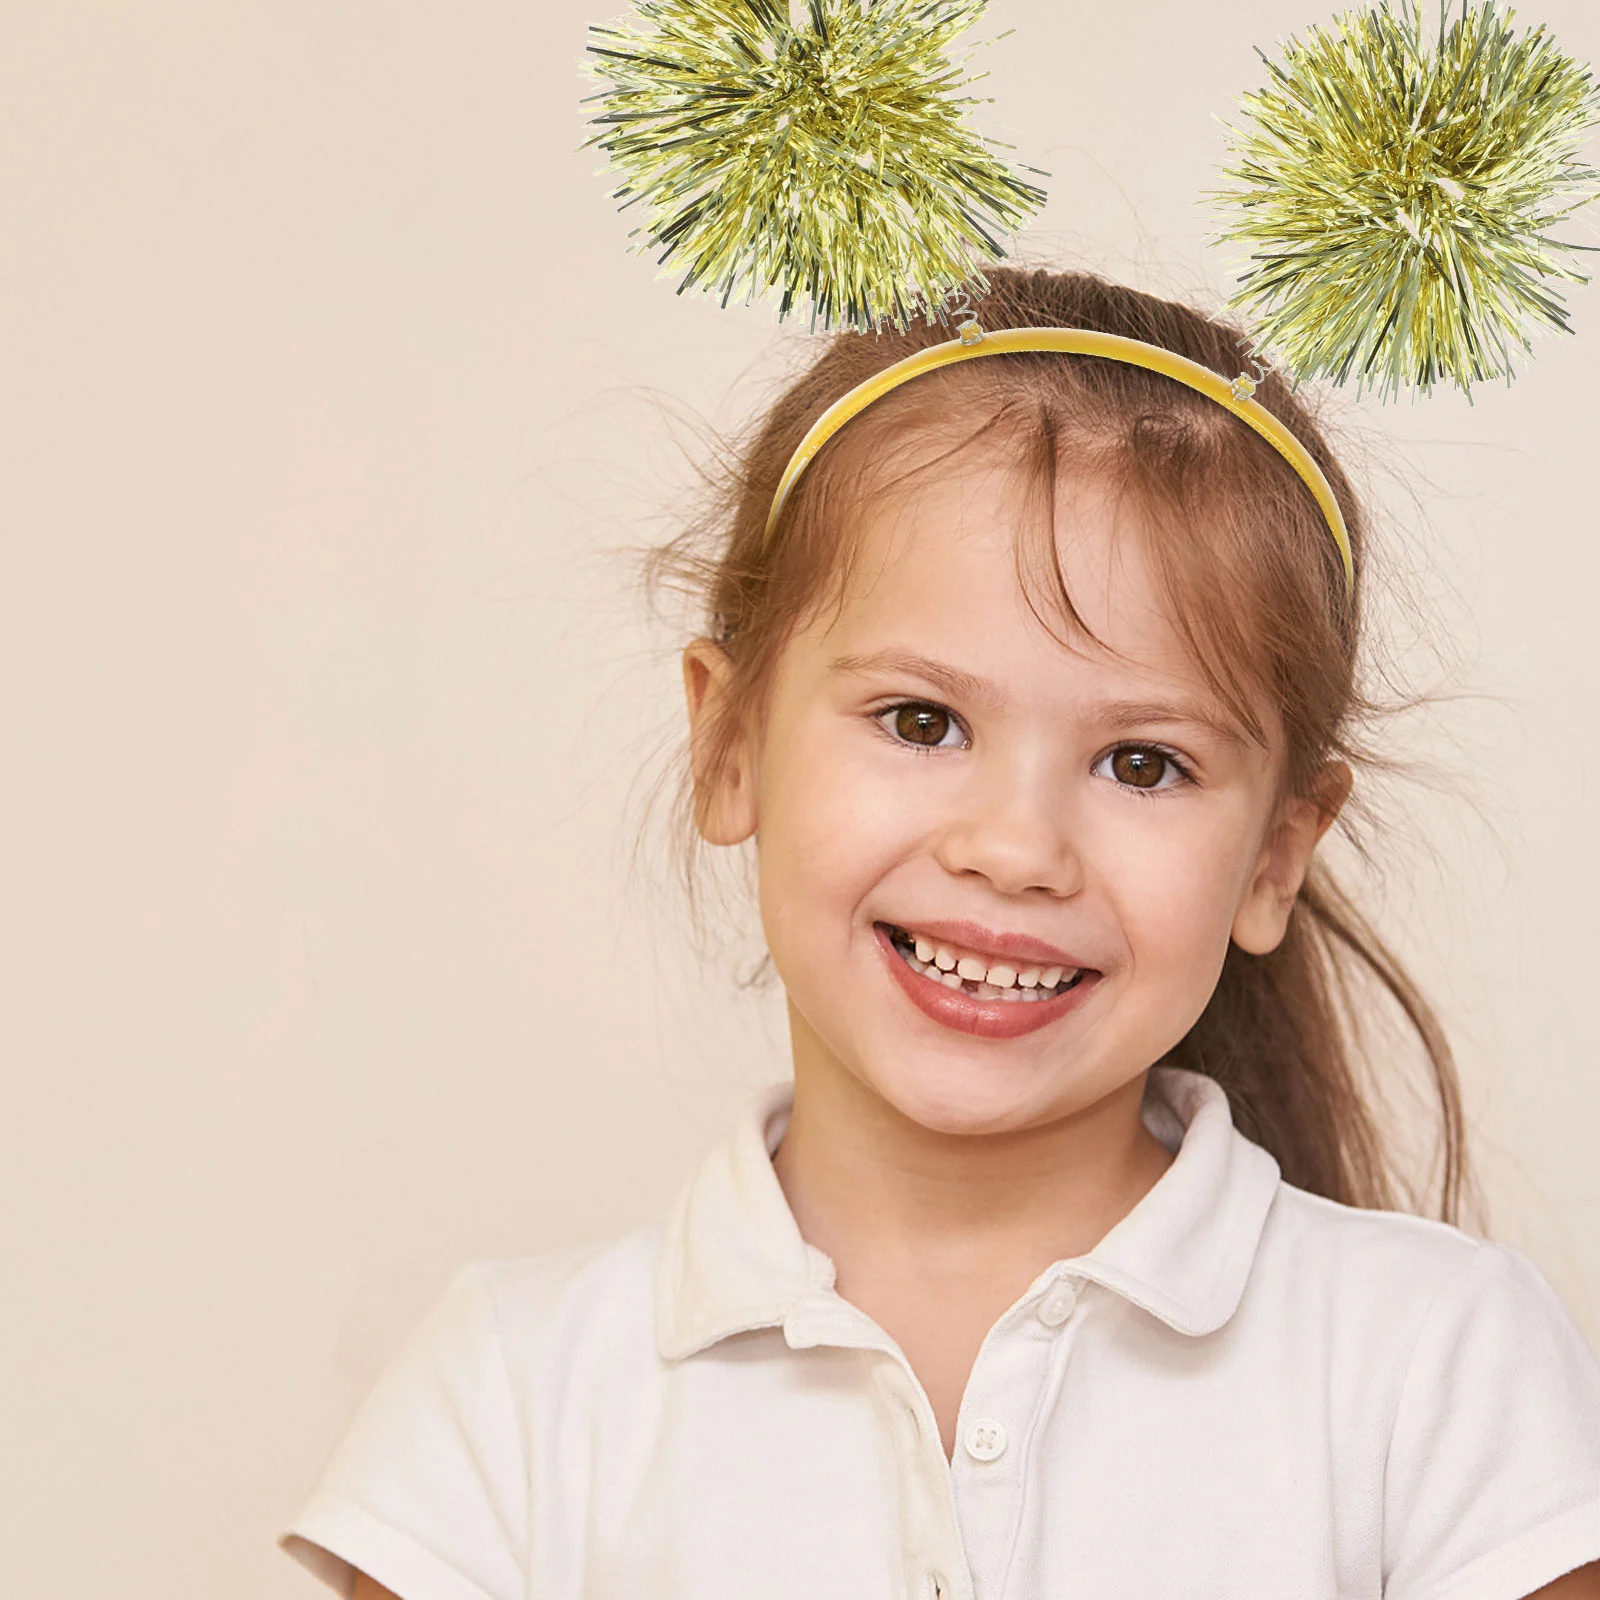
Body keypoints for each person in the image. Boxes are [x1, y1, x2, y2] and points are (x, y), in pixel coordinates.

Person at [279, 268, 1600, 1600]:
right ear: (728, 744)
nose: (1015, 848)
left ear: (1274, 856)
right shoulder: (510, 1402)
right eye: (922, 723)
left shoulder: (1442, 1368)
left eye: (1142, 764)